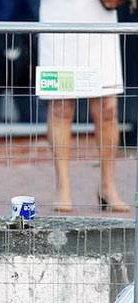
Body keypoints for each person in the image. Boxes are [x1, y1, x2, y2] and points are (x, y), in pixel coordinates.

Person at [39, 0, 129, 212]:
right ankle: (63, 187)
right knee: (61, 106)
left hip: (101, 17)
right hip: (58, 15)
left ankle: (108, 185)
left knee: (108, 108)